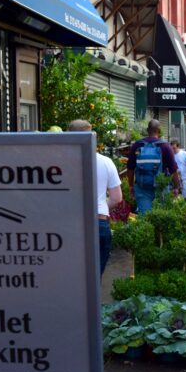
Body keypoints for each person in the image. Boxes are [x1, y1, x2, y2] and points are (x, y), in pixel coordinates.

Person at [68, 119, 122, 277]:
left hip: (71, 224)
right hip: (99, 222)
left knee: (72, 278)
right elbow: (117, 198)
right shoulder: (106, 162)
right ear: (93, 137)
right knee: (93, 280)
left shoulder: (61, 163)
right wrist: (99, 205)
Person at [126, 119, 180, 214]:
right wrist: (176, 187)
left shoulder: (137, 145)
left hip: (142, 188)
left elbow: (130, 169)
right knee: (160, 217)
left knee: (145, 218)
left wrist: (131, 186)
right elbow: (173, 170)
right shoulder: (166, 147)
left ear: (147, 130)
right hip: (161, 188)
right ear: (159, 131)